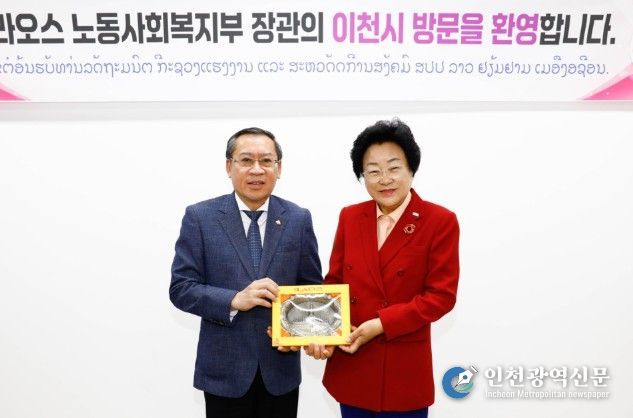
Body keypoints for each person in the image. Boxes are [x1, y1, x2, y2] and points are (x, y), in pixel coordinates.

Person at [169, 127, 322, 418]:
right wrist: (234, 300)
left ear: (279, 168)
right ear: (229, 166)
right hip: (225, 373)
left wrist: (299, 334)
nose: (257, 170)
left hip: (280, 372)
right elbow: (181, 288)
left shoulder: (298, 218)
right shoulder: (200, 217)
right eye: (246, 160)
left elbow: (312, 289)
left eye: (266, 161)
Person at [312, 119, 460, 417]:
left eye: (394, 168)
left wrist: (381, 324)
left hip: (403, 369)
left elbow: (441, 297)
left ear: (411, 169)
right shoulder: (350, 217)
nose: (385, 179)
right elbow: (334, 283)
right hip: (352, 363)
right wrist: (324, 331)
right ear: (362, 176)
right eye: (373, 171)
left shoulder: (439, 221)